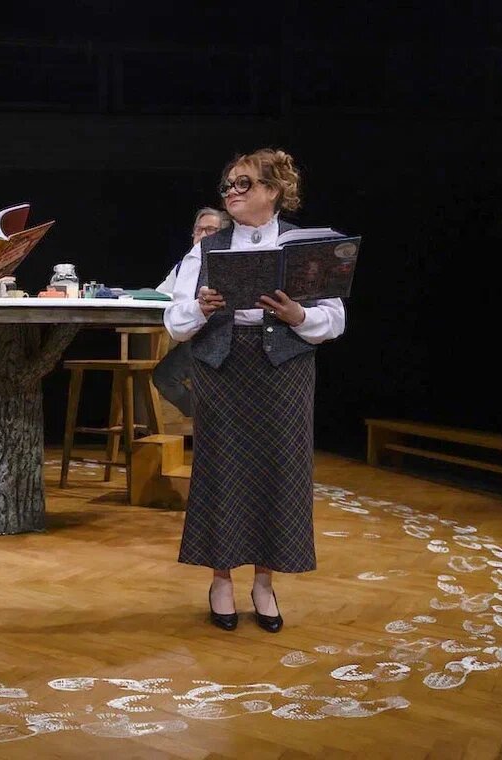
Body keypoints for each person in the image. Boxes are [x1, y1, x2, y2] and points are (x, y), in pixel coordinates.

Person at [163, 149, 345, 633]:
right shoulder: (207, 248)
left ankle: (265, 583)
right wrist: (201, 308)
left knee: (279, 470)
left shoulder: (306, 245)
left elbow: (335, 320)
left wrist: (297, 315)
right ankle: (221, 579)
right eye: (228, 185)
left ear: (273, 190)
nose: (231, 192)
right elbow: (175, 322)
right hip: (224, 368)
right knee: (221, 470)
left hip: (284, 369)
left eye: (243, 183)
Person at [152, 207, 229, 417]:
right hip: (194, 337)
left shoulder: (225, 263)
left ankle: (211, 417)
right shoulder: (185, 265)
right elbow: (160, 294)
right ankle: (207, 417)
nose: (202, 235)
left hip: (220, 337)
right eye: (198, 230)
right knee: (165, 377)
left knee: (167, 376)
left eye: (210, 230)